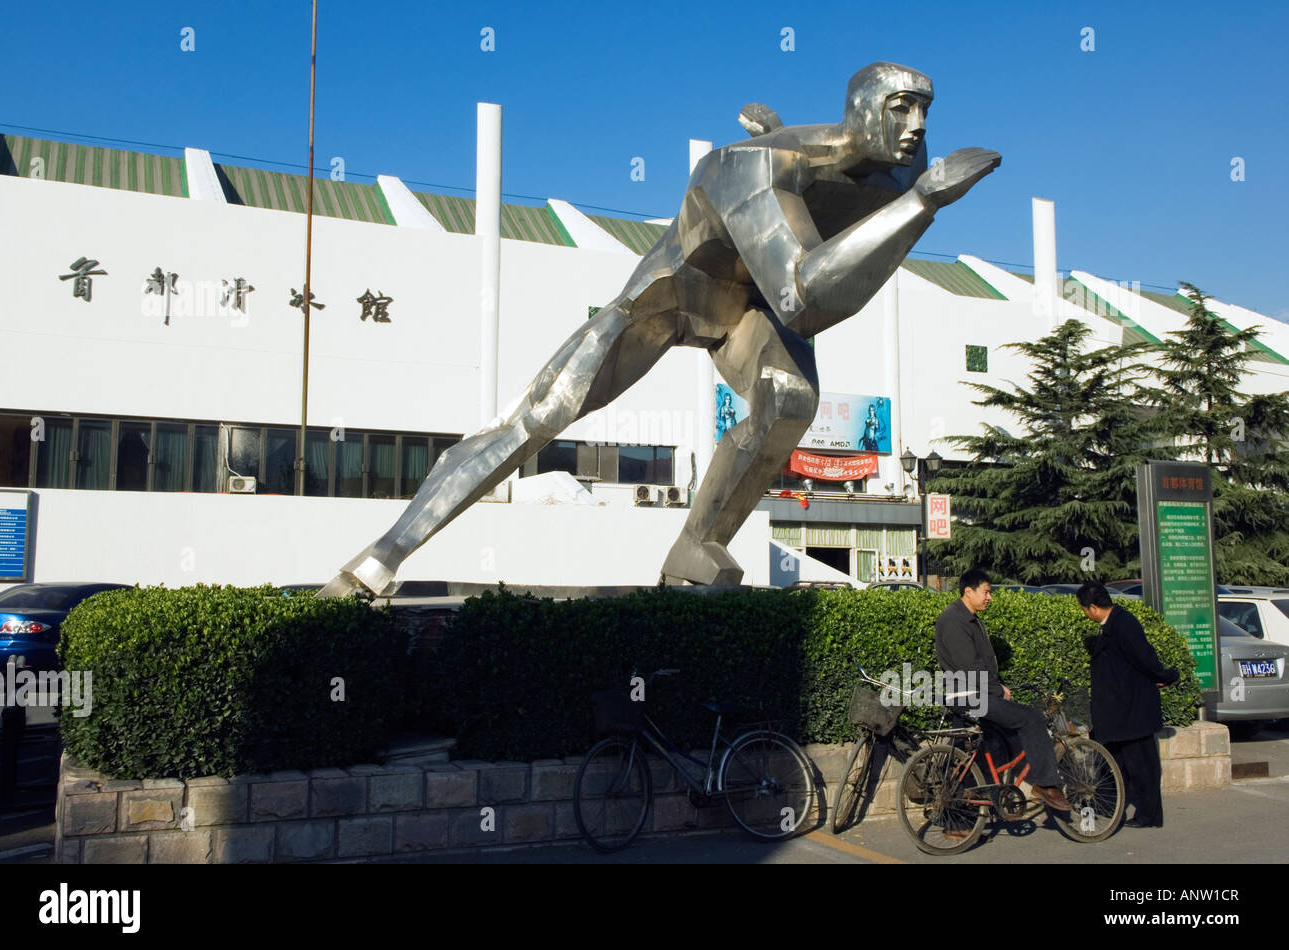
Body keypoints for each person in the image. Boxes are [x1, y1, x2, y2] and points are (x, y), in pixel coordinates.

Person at [320, 63, 1000, 598]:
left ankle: (695, 547)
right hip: (679, 290)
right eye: (899, 108)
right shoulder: (748, 167)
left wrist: (915, 201)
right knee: (542, 411)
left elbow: (834, 276)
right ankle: (383, 554)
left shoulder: (904, 166)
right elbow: (803, 299)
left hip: (751, 306)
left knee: (789, 402)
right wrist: (922, 205)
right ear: (859, 110)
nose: (915, 125)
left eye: (924, 110)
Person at [934, 568, 1072, 815]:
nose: (990, 597)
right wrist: (998, 690)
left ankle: (960, 822)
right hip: (970, 697)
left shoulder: (968, 618)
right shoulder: (955, 621)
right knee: (1031, 719)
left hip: (970, 695)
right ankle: (1047, 785)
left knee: (975, 756)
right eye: (986, 591)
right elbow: (970, 667)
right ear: (969, 591)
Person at [1076, 581, 1179, 828]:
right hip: (1117, 713)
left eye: (1083, 608)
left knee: (1143, 768)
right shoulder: (1111, 625)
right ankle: (1109, 809)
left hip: (1133, 711)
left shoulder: (1124, 624)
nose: (1083, 613)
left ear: (1092, 608)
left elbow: (1145, 657)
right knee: (1113, 764)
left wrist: (1165, 677)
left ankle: (1149, 816)